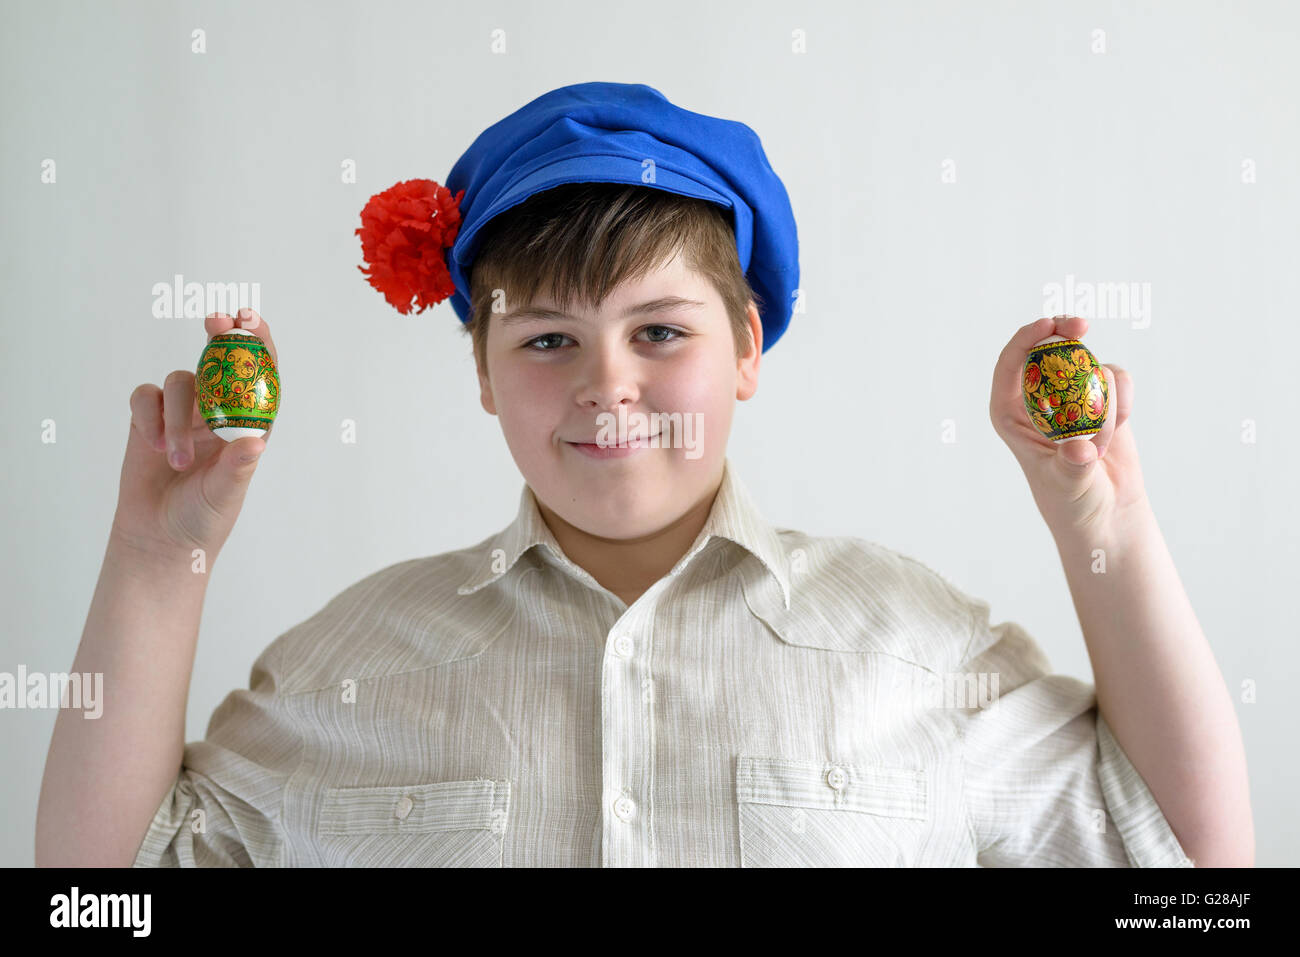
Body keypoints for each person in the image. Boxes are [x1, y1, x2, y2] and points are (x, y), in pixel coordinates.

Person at [36, 81, 1251, 867]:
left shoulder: (918, 651)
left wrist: (1099, 512)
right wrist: (161, 555)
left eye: (659, 332)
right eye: (547, 340)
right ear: (481, 372)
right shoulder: (346, 668)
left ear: (745, 356)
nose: (606, 385)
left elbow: (1194, 878)